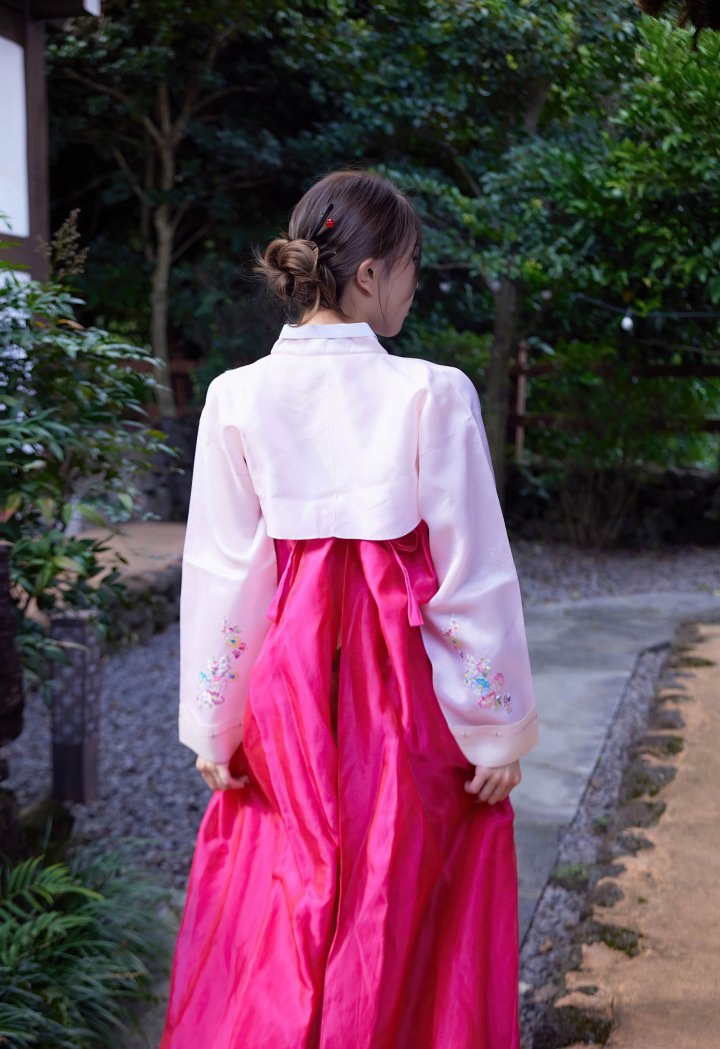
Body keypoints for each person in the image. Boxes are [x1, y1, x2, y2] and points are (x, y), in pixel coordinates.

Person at [159, 169, 539, 1049]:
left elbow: (224, 575)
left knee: (284, 897)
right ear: (370, 274)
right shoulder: (432, 392)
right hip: (399, 688)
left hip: (287, 689)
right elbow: (470, 573)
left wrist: (215, 726)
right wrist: (496, 729)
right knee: (394, 896)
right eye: (411, 266)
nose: (414, 284)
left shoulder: (235, 396)